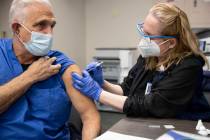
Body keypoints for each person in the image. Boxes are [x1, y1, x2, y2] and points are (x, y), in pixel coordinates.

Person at [72, 2, 210, 121]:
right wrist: (103, 83)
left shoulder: (189, 66)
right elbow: (127, 89)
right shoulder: (149, 57)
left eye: (149, 35)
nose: (144, 40)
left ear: (171, 42)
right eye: (143, 32)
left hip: (186, 126)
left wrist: (98, 93)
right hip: (150, 123)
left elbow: (153, 105)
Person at [0, 0, 100, 139]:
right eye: (41, 25)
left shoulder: (61, 64)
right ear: (17, 28)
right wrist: (30, 76)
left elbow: (90, 117)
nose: (50, 33)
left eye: (52, 25)